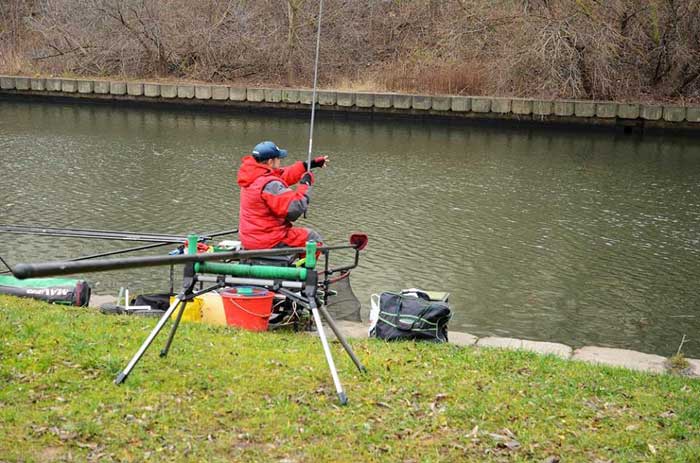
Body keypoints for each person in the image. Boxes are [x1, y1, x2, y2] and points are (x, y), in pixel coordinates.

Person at [237, 141, 328, 250]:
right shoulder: (270, 184)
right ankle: (305, 267)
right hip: (269, 240)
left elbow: (282, 175)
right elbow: (294, 209)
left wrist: (308, 165)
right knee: (313, 238)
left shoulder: (252, 176)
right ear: (271, 161)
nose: (280, 161)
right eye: (279, 158)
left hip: (251, 238)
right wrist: (305, 184)